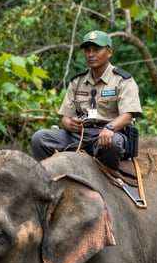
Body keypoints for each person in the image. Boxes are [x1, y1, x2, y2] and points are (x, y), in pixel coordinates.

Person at [31, 30, 142, 169]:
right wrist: (70, 124)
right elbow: (66, 116)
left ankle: (111, 181)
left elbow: (127, 116)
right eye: (87, 50)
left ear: (109, 52)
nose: (91, 54)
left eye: (96, 50)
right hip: (80, 134)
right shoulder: (77, 80)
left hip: (109, 133)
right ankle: (49, 180)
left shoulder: (122, 80)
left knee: (112, 143)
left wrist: (110, 128)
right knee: (40, 138)